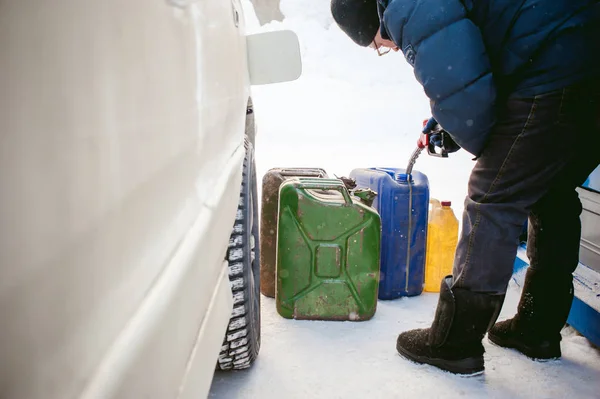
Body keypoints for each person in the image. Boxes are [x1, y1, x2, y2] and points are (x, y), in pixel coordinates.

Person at [331, 0, 600, 375]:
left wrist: (472, 134)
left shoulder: (405, 5)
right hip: (581, 57)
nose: (387, 46)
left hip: (554, 66)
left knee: (493, 198)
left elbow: (465, 96)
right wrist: (453, 120)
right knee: (551, 189)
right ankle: (537, 326)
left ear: (372, 16)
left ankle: (454, 342)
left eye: (377, 42)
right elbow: (475, 66)